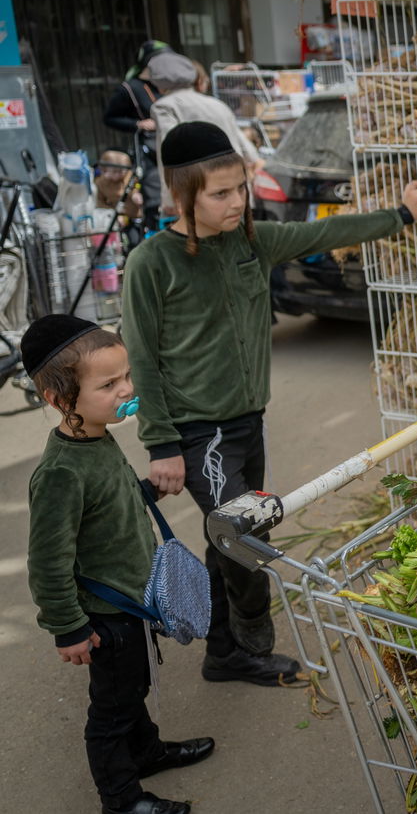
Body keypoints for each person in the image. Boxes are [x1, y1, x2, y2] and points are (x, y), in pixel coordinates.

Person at [121, 121, 417, 686]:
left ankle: (223, 652)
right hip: (200, 433)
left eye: (241, 188)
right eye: (220, 193)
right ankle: (250, 643)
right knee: (244, 535)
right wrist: (161, 444)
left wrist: (401, 216)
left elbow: (322, 232)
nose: (236, 202)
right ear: (182, 193)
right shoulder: (151, 262)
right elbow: (141, 358)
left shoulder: (251, 240)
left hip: (249, 423)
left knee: (227, 537)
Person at [23, 314, 214, 814]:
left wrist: (147, 490)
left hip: (133, 600)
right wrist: (68, 628)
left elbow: (105, 504)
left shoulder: (97, 436)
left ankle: (145, 752)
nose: (126, 389)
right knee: (112, 709)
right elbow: (47, 561)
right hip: (105, 616)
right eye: (108, 384)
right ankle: (122, 799)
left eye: (126, 376)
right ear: (61, 400)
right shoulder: (61, 472)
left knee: (134, 686)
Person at [147, 53, 263, 217]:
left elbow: (168, 153)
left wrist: (170, 199)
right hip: (236, 187)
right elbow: (244, 145)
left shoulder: (165, 106)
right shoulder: (217, 104)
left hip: (203, 193)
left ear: (159, 82)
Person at [103, 40, 171, 233]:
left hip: (171, 147)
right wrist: (138, 124)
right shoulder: (130, 87)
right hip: (150, 153)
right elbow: (109, 118)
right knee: (155, 202)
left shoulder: (165, 85)